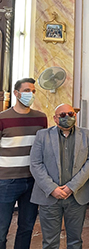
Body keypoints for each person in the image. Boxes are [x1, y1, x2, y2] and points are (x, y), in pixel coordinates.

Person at [30, 104, 89, 249]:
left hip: (76, 196)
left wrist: (71, 187)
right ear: (55, 118)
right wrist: (52, 188)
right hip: (49, 197)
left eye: (71, 114)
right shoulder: (42, 135)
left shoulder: (87, 135)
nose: (68, 117)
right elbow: (35, 164)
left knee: (75, 241)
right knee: (50, 243)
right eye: (63, 115)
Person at [0, 78, 47, 249]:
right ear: (16, 93)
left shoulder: (41, 118)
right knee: (1, 230)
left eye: (33, 91)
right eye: (27, 90)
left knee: (26, 228)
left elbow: (43, 149)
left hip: (32, 181)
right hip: (6, 181)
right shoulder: (2, 118)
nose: (30, 94)